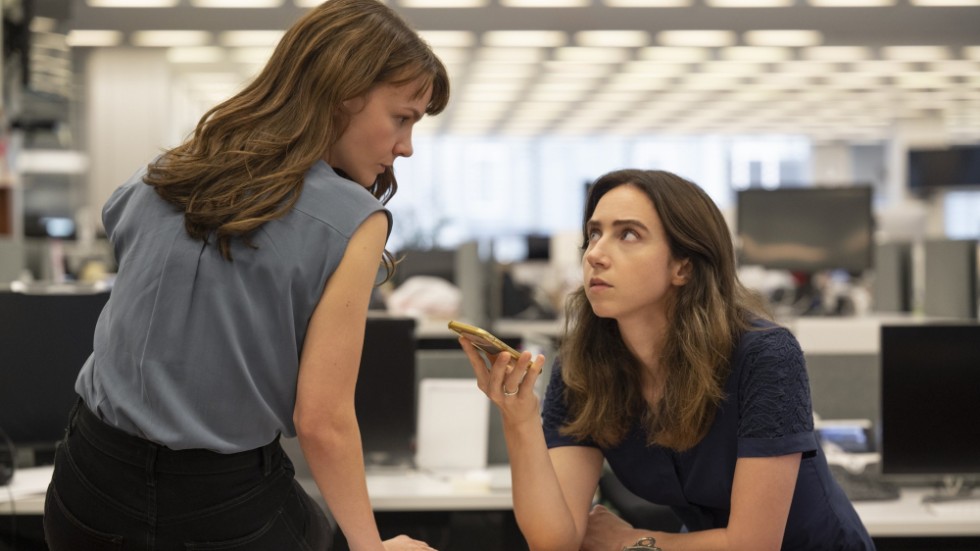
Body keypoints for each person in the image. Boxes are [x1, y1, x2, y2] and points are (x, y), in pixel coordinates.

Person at [43, 0, 448, 549]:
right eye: (401, 117)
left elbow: (122, 240)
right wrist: (370, 546)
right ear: (343, 93)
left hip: (86, 482)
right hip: (221, 503)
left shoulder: (161, 175)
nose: (406, 146)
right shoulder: (354, 218)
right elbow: (322, 420)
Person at [458, 169, 875, 551]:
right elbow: (555, 541)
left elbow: (754, 544)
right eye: (594, 234)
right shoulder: (585, 367)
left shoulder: (765, 356)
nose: (595, 255)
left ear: (683, 267)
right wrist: (520, 418)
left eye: (628, 235)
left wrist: (634, 543)